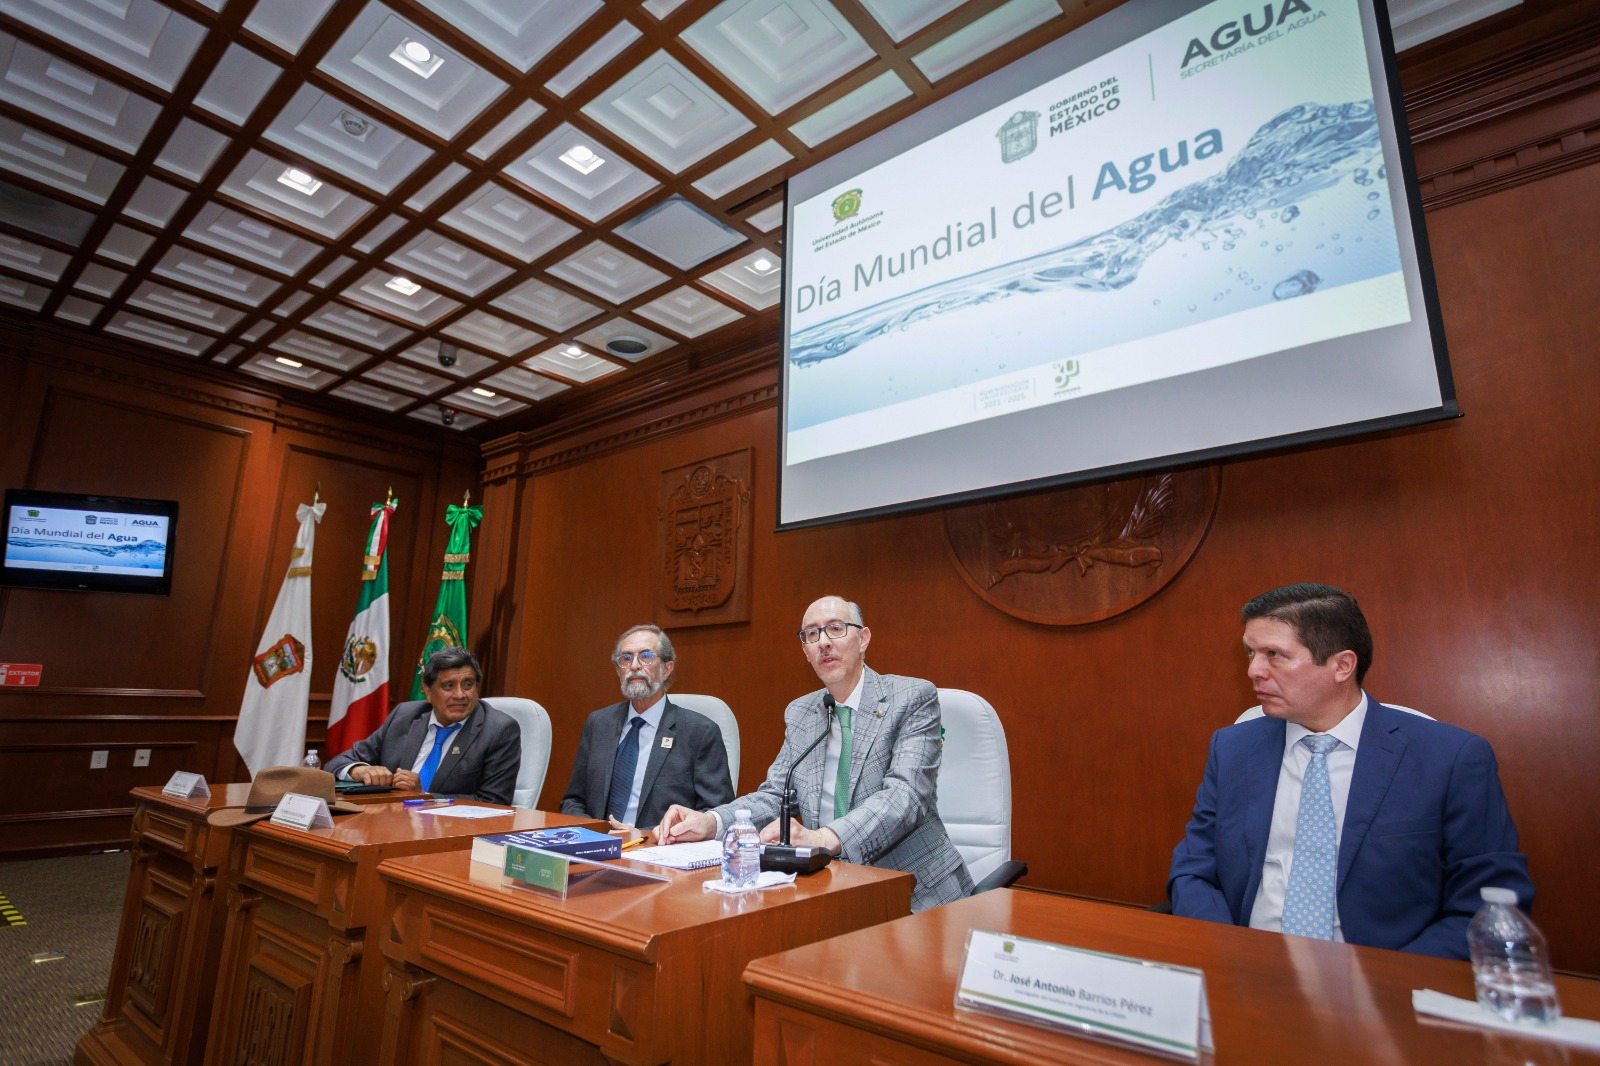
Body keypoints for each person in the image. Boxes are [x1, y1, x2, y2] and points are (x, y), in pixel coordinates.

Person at [1167, 583, 1533, 959]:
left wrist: (1388, 982)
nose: (1253, 671)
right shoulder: (1232, 749)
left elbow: (1490, 904)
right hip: (1246, 969)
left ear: (1342, 665)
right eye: (1251, 652)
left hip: (1386, 983)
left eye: (1274, 654)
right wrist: (1227, 952)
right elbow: (1194, 870)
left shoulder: (1451, 759)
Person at [659, 596, 972, 911]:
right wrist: (711, 821)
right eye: (811, 634)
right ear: (805, 651)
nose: (823, 642)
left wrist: (823, 838)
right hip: (827, 887)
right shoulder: (802, 713)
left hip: (914, 893)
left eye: (835, 629)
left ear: (863, 639)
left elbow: (905, 797)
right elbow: (774, 797)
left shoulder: (912, 698)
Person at [559, 624, 734, 829]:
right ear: (618, 670)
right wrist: (595, 834)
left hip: (659, 849)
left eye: (646, 656)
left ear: (666, 669)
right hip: (597, 845)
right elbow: (573, 801)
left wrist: (645, 835)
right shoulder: (598, 724)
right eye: (626, 658)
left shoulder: (699, 732)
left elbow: (715, 815)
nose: (634, 666)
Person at [325, 647, 520, 805]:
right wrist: (358, 770)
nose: (460, 695)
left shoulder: (499, 731)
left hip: (448, 836)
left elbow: (494, 803)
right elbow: (336, 763)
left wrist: (424, 796)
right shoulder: (405, 716)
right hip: (388, 824)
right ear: (428, 691)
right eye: (449, 686)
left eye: (468, 685)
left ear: (477, 688)